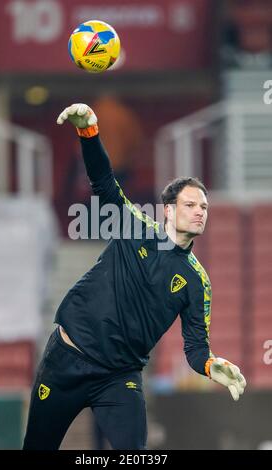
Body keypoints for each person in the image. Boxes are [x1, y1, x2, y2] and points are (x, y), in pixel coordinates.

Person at [23, 103, 246, 450]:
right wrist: (89, 132)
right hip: (67, 359)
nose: (200, 211)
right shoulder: (136, 227)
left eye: (204, 206)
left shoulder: (197, 281)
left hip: (118, 377)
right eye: (191, 204)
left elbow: (195, 346)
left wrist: (208, 364)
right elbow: (103, 183)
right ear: (169, 210)